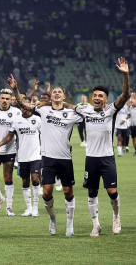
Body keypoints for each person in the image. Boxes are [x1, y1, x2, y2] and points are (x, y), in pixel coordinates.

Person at [9, 75, 82, 236]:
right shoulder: (43, 110)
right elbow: (23, 104)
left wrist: (67, 105)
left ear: (63, 95)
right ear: (51, 95)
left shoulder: (71, 113)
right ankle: (53, 218)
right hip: (48, 159)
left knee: (68, 191)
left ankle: (70, 223)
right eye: (54, 91)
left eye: (59, 92)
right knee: (47, 192)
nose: (56, 93)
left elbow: (86, 114)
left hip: (65, 159)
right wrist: (15, 89)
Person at [64, 57, 129, 236]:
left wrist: (126, 76)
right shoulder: (84, 109)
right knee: (92, 193)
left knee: (112, 191)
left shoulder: (111, 110)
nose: (97, 98)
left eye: (101, 96)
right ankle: (96, 225)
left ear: (106, 99)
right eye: (95, 95)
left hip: (107, 158)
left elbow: (124, 96)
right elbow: (67, 106)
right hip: (91, 159)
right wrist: (52, 102)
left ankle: (116, 218)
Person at [0, 97, 42, 217]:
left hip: (35, 155)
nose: (23, 109)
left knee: (35, 179)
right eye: (22, 106)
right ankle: (28, 208)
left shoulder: (38, 119)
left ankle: (35, 207)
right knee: (25, 181)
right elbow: (10, 136)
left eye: (26, 105)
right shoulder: (17, 120)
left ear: (31, 105)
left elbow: (44, 135)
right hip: (22, 157)